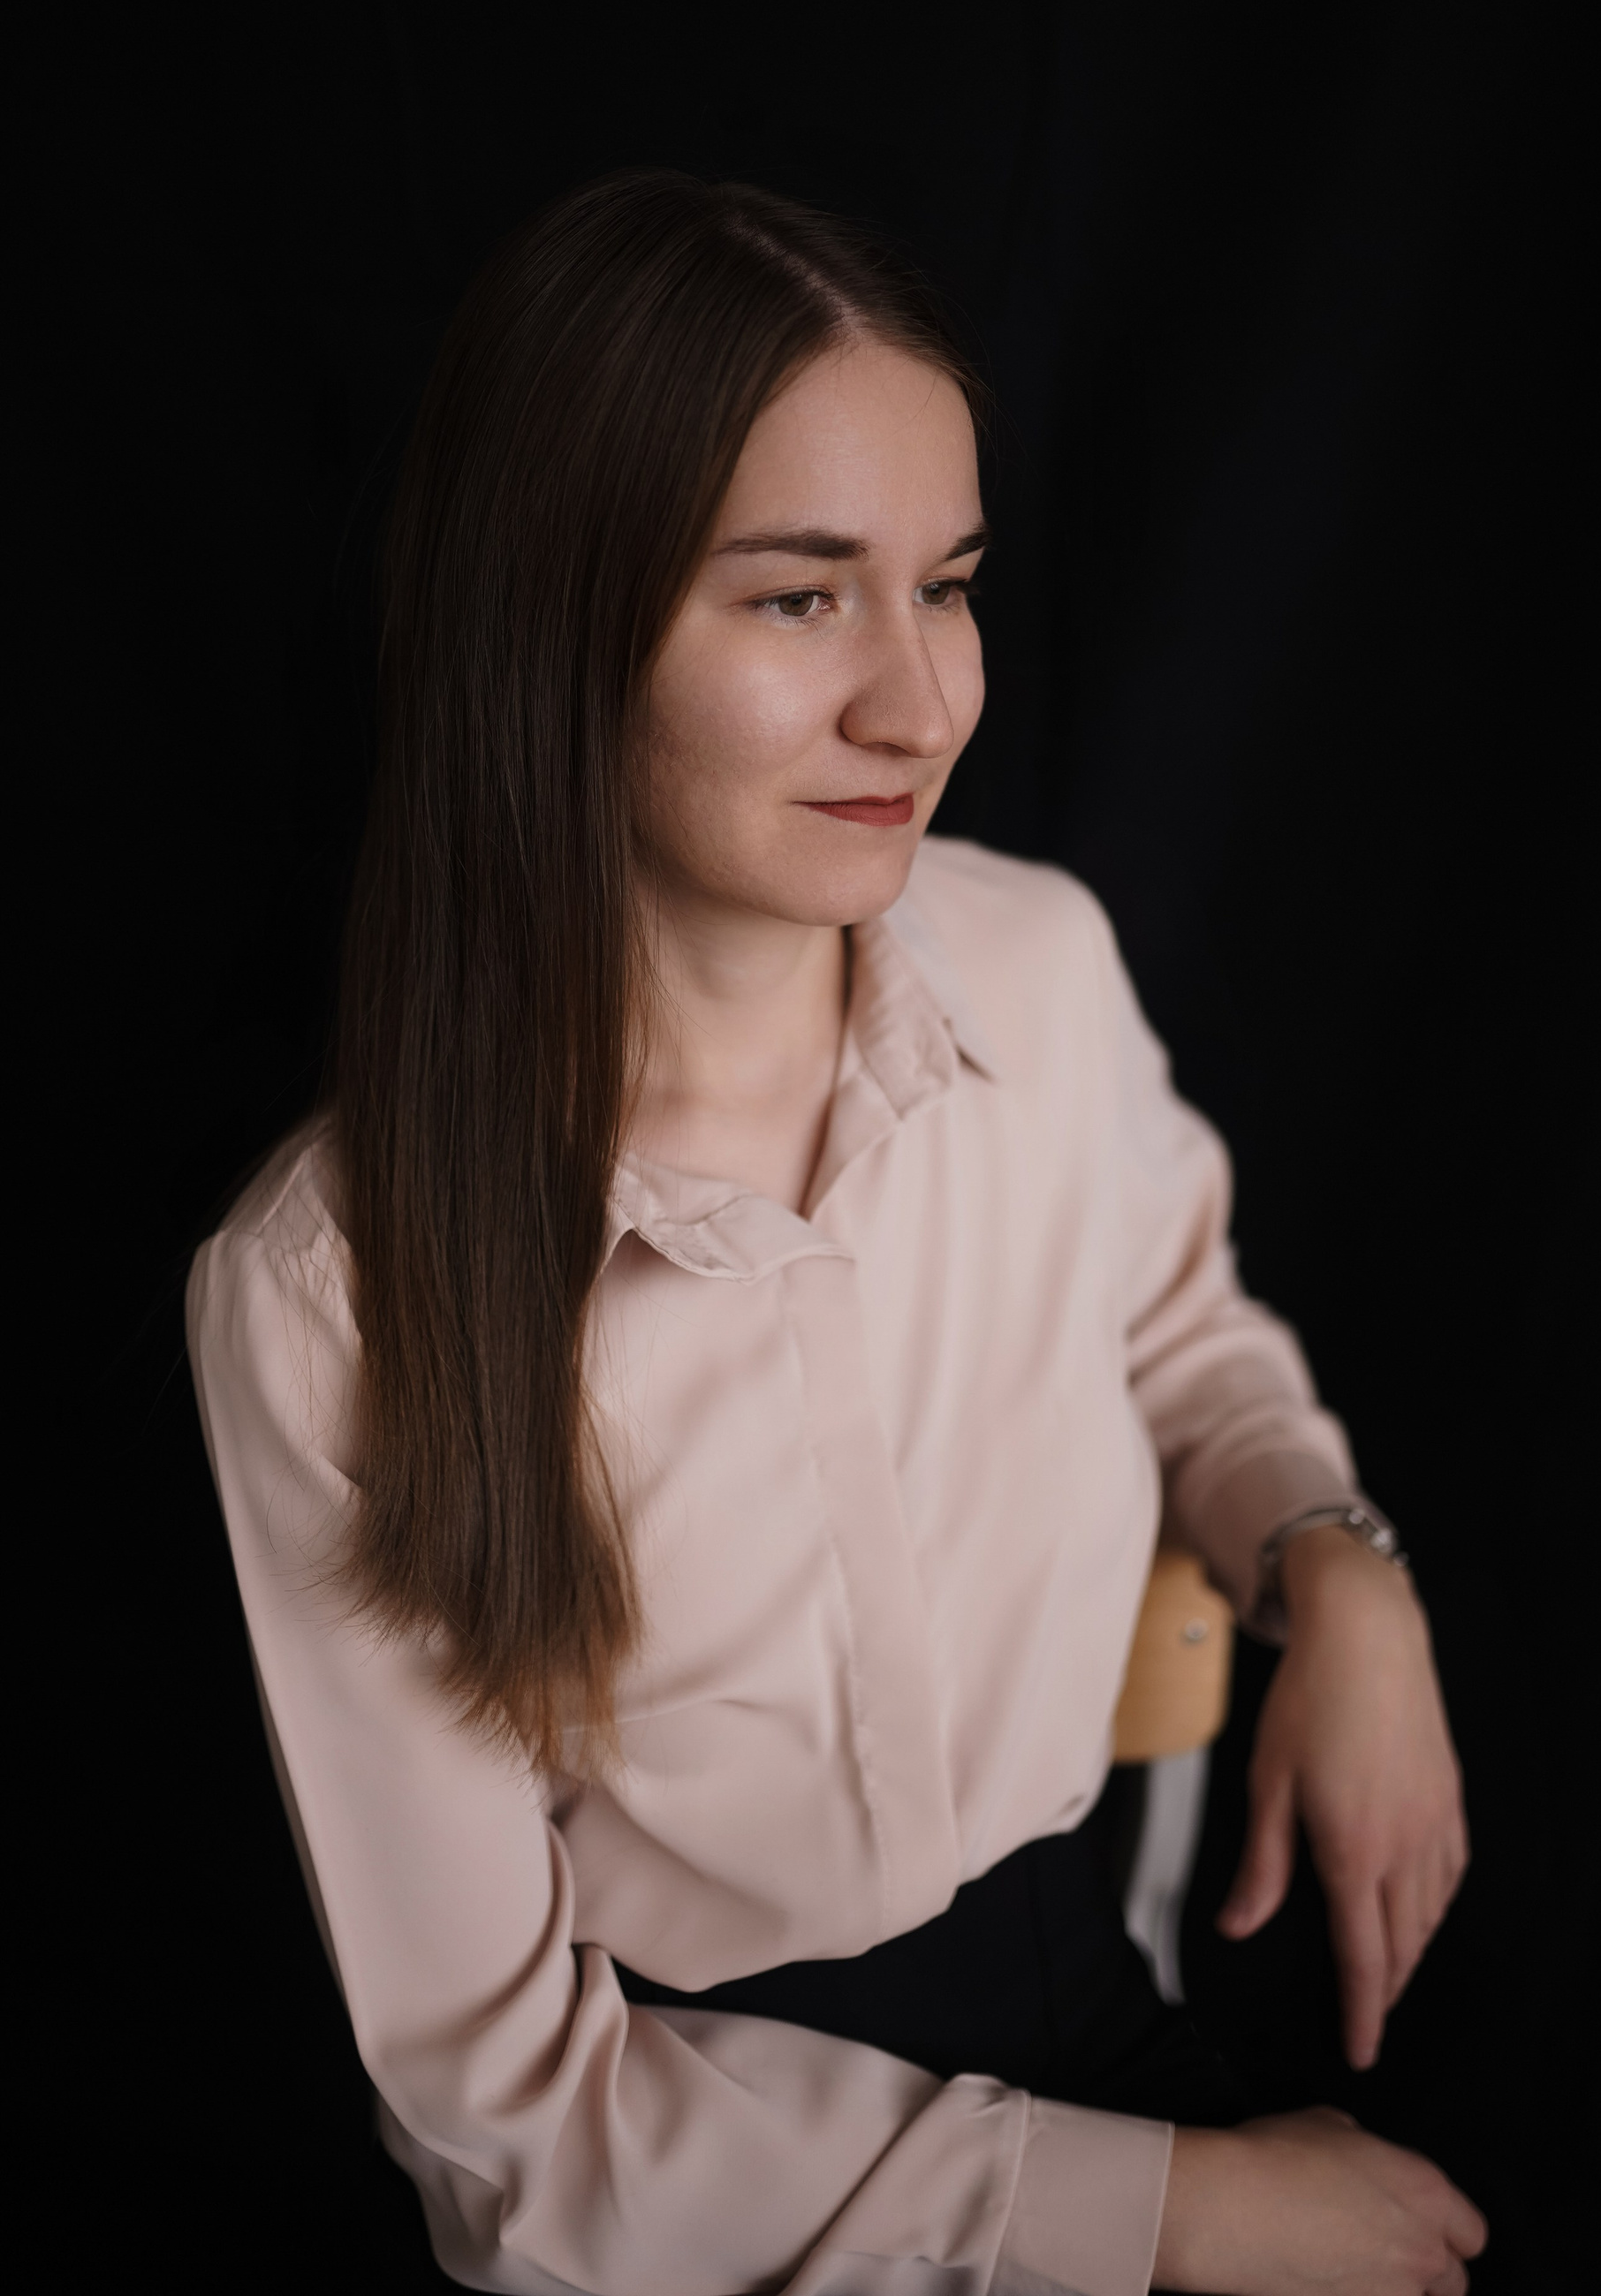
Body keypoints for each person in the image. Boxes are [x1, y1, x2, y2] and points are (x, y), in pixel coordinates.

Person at [189, 171, 1487, 2295]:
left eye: (946, 586)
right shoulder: (327, 1301)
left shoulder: (1040, 968)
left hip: (1116, 1994)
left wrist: (1342, 1571)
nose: (923, 703)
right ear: (553, 625)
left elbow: (1180, 1333)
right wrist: (1178, 2211)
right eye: (801, 600)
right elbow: (518, 2131)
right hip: (701, 2166)